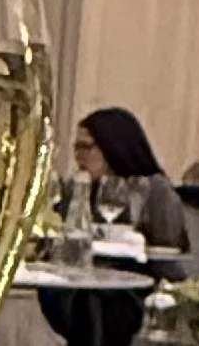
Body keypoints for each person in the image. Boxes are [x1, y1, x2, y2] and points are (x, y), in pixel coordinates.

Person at [70, 108, 187, 252]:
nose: (78, 156)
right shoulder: (79, 189)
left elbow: (169, 250)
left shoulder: (156, 190)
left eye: (85, 147)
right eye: (76, 148)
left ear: (112, 146)